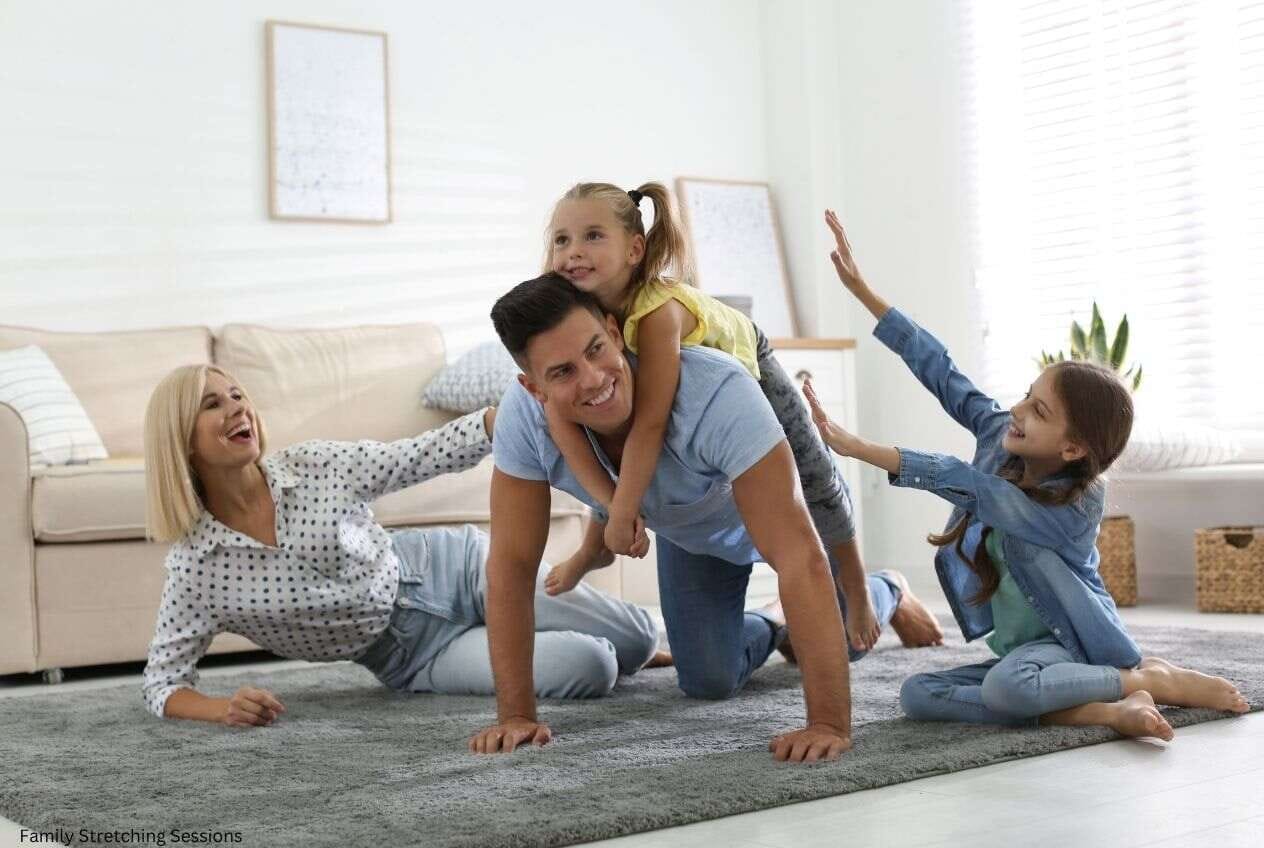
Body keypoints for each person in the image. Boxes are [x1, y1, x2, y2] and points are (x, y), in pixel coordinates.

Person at [802, 209, 1250, 737]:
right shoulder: (1000, 435)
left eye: (1038, 411)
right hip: (1021, 656)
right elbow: (940, 370)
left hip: (1070, 646)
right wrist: (862, 291)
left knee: (1005, 691)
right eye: (1026, 396)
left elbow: (969, 485)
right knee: (917, 694)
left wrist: (856, 447)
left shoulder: (1077, 507)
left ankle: (1150, 678)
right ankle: (1108, 709)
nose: (1017, 410)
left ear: (1074, 447)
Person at [471, 273, 944, 763]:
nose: (593, 379)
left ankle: (889, 590)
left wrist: (827, 724)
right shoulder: (523, 422)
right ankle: (778, 624)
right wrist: (516, 715)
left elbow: (798, 556)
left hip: (785, 520)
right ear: (533, 388)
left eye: (595, 350)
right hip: (692, 535)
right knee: (708, 680)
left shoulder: (713, 390)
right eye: (563, 372)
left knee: (847, 641)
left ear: (615, 332)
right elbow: (510, 565)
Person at [140, 364, 662, 726]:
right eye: (214, 404)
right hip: (415, 656)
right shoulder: (196, 569)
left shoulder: (313, 465)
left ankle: (718, 636)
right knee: (594, 666)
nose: (238, 409)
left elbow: (417, 455)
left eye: (238, 396)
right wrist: (221, 708)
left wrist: (498, 419)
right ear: (183, 438)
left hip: (454, 567)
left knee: (637, 639)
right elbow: (162, 684)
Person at [538, 181, 888, 652]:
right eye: (562, 240)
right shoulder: (580, 317)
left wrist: (625, 511)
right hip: (692, 425)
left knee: (813, 473)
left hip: (751, 369)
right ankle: (593, 550)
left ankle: (864, 588)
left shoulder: (657, 313)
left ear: (635, 249)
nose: (572, 252)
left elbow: (652, 422)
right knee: (609, 445)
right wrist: (610, 517)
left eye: (592, 236)